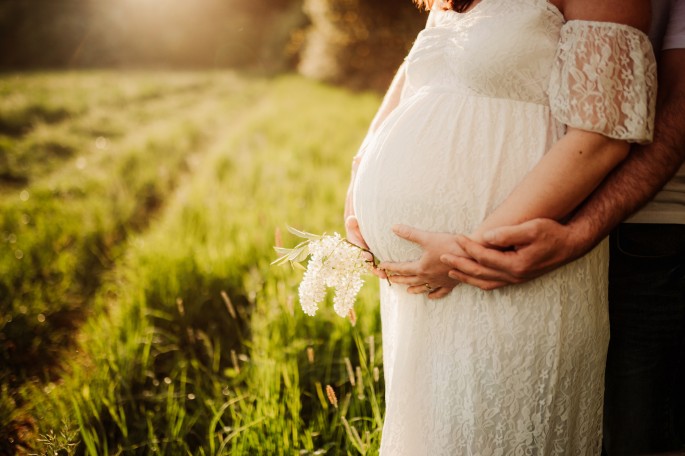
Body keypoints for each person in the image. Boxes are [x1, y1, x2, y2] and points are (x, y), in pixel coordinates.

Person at [345, 0, 657, 453]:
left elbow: (602, 137)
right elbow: (418, 81)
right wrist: (357, 185)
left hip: (505, 268)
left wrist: (462, 255)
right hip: (422, 292)